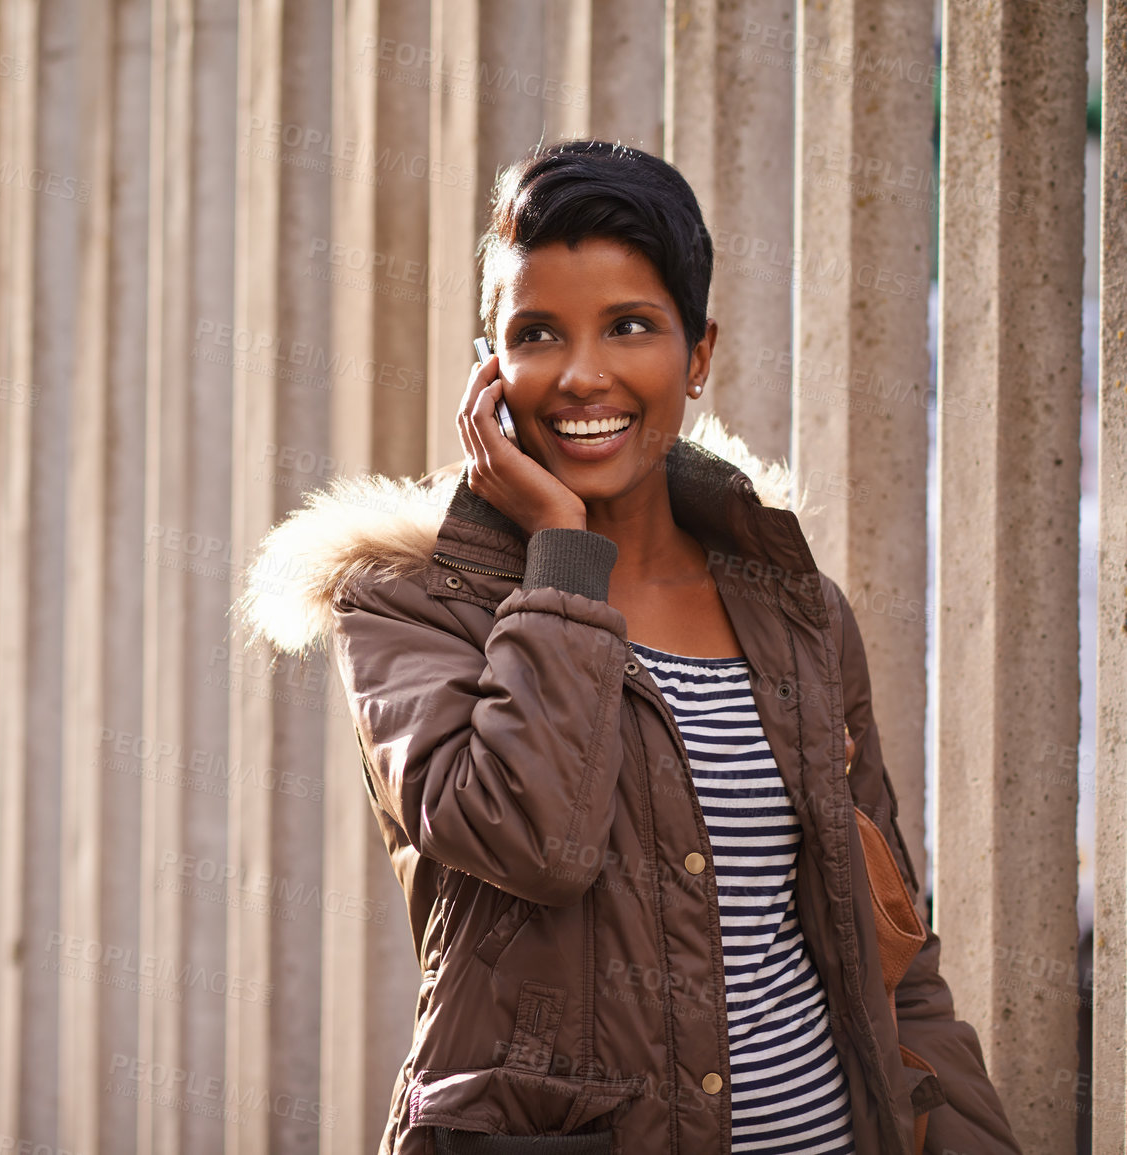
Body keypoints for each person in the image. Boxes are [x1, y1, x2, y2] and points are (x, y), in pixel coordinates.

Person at [238, 141, 1019, 1155]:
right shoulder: (410, 606)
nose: (582, 374)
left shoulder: (798, 611)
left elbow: (883, 936)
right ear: (492, 368)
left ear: (698, 357)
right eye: (537, 333)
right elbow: (536, 843)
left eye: (631, 327)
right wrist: (562, 556)